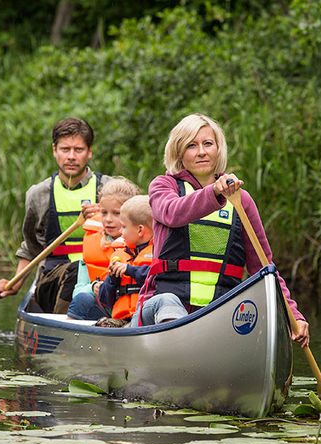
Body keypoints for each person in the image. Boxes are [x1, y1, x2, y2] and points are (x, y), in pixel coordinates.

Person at [131, 113, 309, 347]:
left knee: (249, 316)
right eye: (191, 146)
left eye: (208, 144)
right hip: (161, 307)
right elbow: (172, 213)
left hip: (218, 315)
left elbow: (264, 267)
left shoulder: (241, 200)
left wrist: (293, 314)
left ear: (218, 149)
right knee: (167, 302)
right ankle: (178, 344)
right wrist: (214, 192)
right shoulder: (164, 186)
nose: (202, 152)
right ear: (179, 152)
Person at [0, 117, 109, 313]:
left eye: (78, 150)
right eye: (65, 149)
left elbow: (131, 233)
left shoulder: (108, 189)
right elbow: (31, 247)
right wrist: (15, 283)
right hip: (54, 277)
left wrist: (103, 214)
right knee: (75, 270)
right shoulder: (38, 194)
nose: (71, 156)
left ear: (89, 152)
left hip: (101, 275)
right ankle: (67, 322)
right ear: (54, 150)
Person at [66, 177, 140, 320]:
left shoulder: (144, 244)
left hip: (134, 313)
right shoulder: (92, 242)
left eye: (116, 213)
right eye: (104, 213)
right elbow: (78, 291)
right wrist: (93, 287)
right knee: (82, 300)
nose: (108, 219)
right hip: (104, 312)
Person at [94, 195, 153, 325]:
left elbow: (155, 278)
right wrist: (112, 278)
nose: (120, 231)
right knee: (102, 326)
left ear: (139, 230)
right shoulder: (119, 256)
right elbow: (105, 299)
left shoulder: (158, 253)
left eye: (124, 227)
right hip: (121, 320)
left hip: (147, 320)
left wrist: (130, 270)